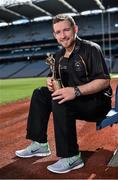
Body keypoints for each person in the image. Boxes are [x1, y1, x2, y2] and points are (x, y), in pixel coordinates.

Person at [15, 14, 112, 174]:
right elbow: (57, 81)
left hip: (97, 103)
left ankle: (71, 156)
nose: (62, 35)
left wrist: (75, 91)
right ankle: (39, 144)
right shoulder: (59, 56)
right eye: (58, 32)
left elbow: (104, 81)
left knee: (62, 99)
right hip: (76, 100)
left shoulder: (91, 48)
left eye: (66, 30)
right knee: (41, 93)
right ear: (54, 35)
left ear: (75, 29)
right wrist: (50, 82)